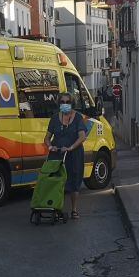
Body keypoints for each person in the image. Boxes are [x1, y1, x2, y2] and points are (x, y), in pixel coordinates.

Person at [45, 92, 90, 220]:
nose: (65, 104)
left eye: (67, 102)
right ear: (59, 104)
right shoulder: (54, 119)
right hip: (58, 154)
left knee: (74, 181)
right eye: (62, 102)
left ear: (72, 104)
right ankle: (56, 207)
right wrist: (50, 146)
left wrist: (70, 148)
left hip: (74, 154)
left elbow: (82, 137)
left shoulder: (78, 118)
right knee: (57, 181)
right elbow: (47, 138)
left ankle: (74, 209)